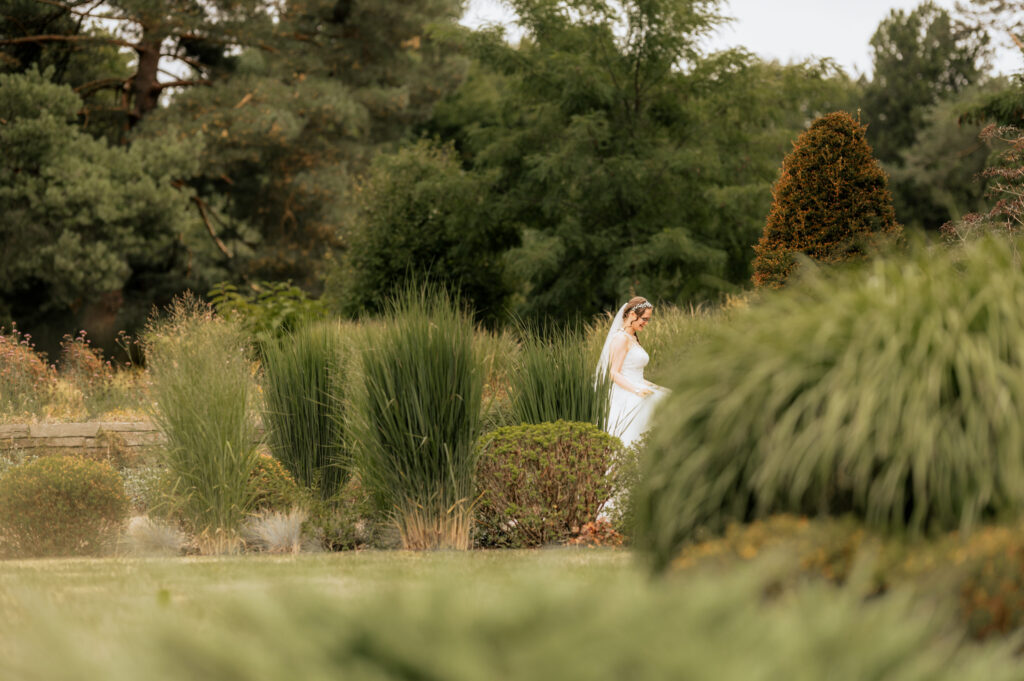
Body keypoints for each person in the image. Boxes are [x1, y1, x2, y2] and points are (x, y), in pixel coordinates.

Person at [596, 296, 670, 447]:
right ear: (632, 315)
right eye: (644, 318)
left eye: (648, 319)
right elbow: (614, 373)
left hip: (638, 386)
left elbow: (634, 374)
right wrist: (637, 390)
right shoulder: (621, 339)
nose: (646, 323)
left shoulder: (632, 338)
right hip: (627, 394)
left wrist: (653, 386)